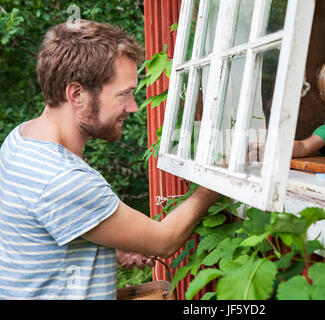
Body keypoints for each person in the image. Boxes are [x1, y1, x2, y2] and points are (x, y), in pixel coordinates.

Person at [0, 19, 219, 300]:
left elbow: (34, 235)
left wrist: (109, 244)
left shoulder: (20, 140)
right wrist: (214, 183)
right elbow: (165, 240)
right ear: (77, 94)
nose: (133, 107)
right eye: (124, 94)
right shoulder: (64, 179)